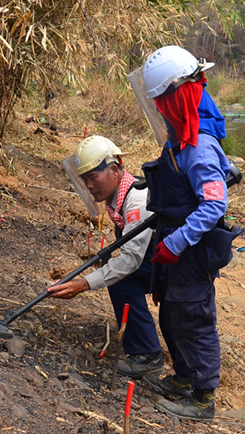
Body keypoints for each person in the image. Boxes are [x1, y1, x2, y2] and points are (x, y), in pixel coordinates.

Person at [137, 45, 239, 422]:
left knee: (193, 318)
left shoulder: (200, 147)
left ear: (177, 97)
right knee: (172, 314)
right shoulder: (180, 139)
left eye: (163, 101)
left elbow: (214, 206)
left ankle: (201, 397)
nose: (160, 109)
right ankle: (182, 377)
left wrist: (175, 244)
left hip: (191, 251)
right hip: (173, 243)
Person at [48, 135, 164, 379]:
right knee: (115, 274)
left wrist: (84, 283)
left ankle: (148, 354)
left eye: (93, 177)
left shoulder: (136, 202)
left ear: (114, 169)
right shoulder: (118, 197)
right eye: (84, 179)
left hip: (175, 267)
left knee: (121, 277)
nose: (89, 186)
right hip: (156, 260)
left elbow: (131, 260)